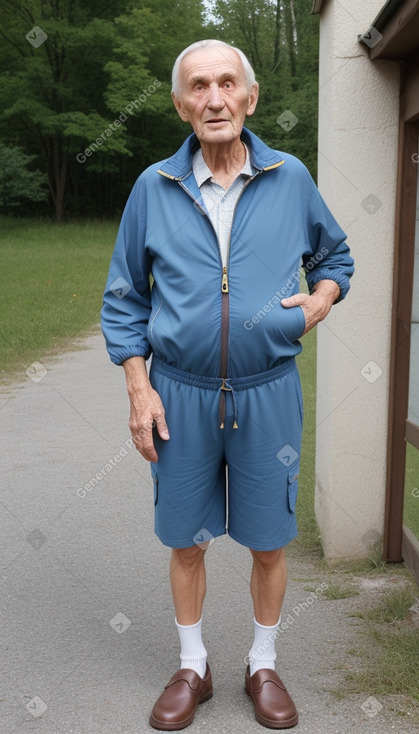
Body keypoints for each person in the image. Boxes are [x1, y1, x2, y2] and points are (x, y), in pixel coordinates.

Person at [101, 39, 354, 731]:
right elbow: (124, 297)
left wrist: (322, 297)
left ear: (249, 96)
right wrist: (138, 389)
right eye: (197, 87)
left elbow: (334, 254)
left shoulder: (289, 175)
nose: (213, 99)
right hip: (177, 393)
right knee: (185, 539)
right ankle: (192, 667)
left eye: (225, 84)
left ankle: (262, 663)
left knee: (269, 540)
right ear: (181, 104)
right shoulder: (154, 186)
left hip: (267, 390)